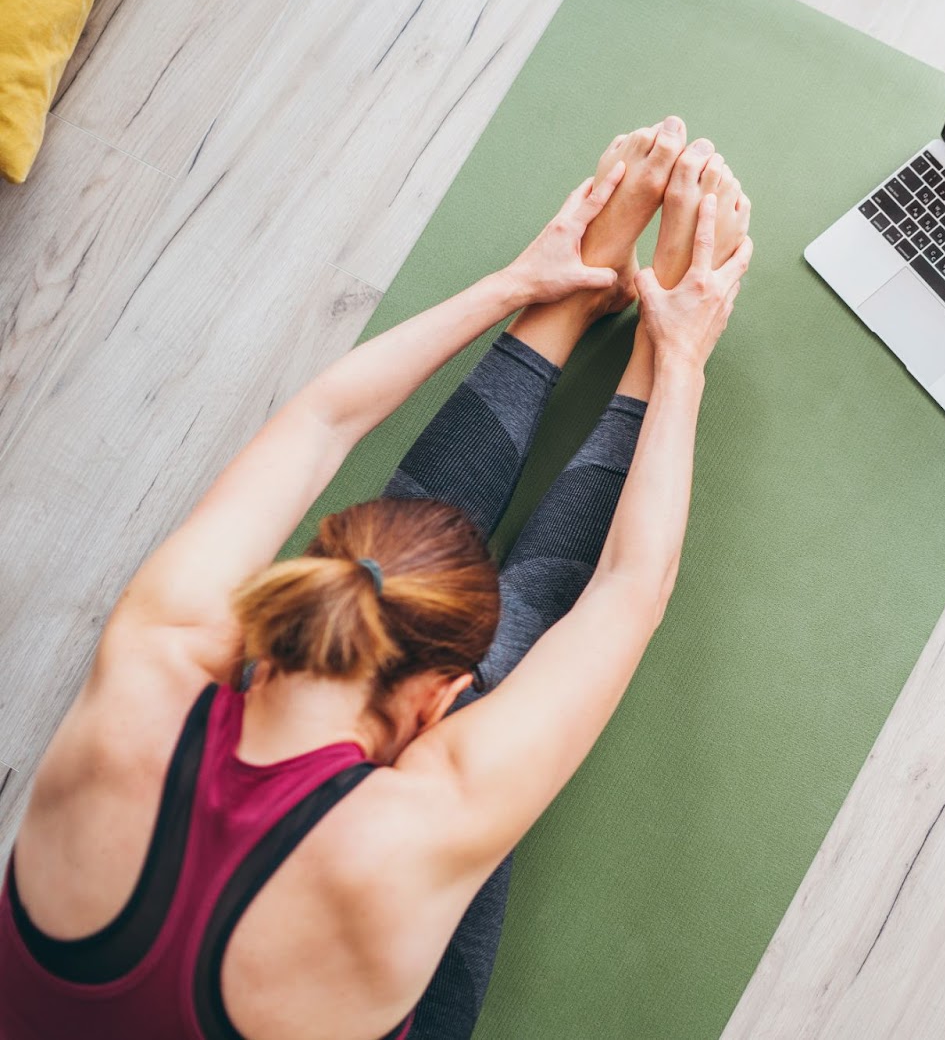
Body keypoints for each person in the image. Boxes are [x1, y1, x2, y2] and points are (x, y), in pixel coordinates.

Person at [0, 116, 753, 1040]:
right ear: (438, 703)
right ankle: (626, 360)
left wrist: (526, 283)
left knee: (402, 591)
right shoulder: (413, 835)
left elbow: (320, 422)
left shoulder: (144, 675)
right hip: (368, 933)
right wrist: (676, 361)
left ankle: (560, 313)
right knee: (509, 701)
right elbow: (624, 593)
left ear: (295, 601)